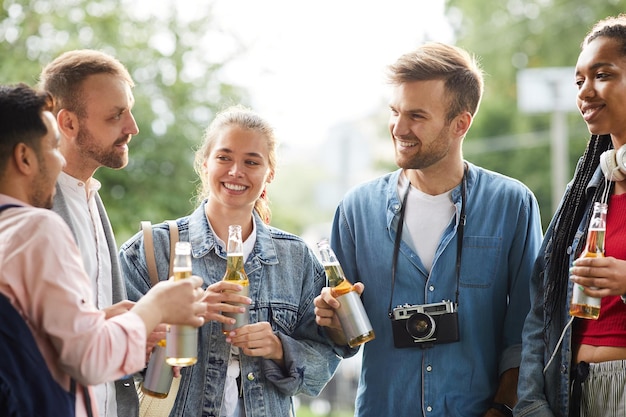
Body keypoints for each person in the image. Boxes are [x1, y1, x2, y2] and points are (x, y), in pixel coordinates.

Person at [313, 42, 543, 417]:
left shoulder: (512, 204)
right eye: (394, 111)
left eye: (416, 116)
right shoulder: (355, 210)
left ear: (460, 124)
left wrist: (502, 408)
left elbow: (528, 330)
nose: (398, 128)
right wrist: (333, 322)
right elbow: (342, 342)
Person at [0, 83, 207, 417]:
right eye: (53, 147)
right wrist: (155, 306)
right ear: (24, 157)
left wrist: (95, 321)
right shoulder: (37, 228)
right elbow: (90, 360)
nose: (59, 160)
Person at [119, 105, 341, 417]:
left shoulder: (296, 258)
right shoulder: (151, 249)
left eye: (251, 162)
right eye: (224, 158)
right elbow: (111, 352)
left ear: (269, 174)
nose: (236, 171)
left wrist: (278, 348)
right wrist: (181, 318)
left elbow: (324, 364)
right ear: (204, 164)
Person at [515, 14, 626, 417]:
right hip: (572, 394)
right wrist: (529, 405)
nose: (585, 92)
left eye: (602, 74)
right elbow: (540, 314)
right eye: (579, 81)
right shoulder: (581, 194)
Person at [38, 49, 142, 417]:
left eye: (128, 110)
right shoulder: (32, 212)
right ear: (67, 124)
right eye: (116, 115)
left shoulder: (92, 199)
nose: (132, 127)